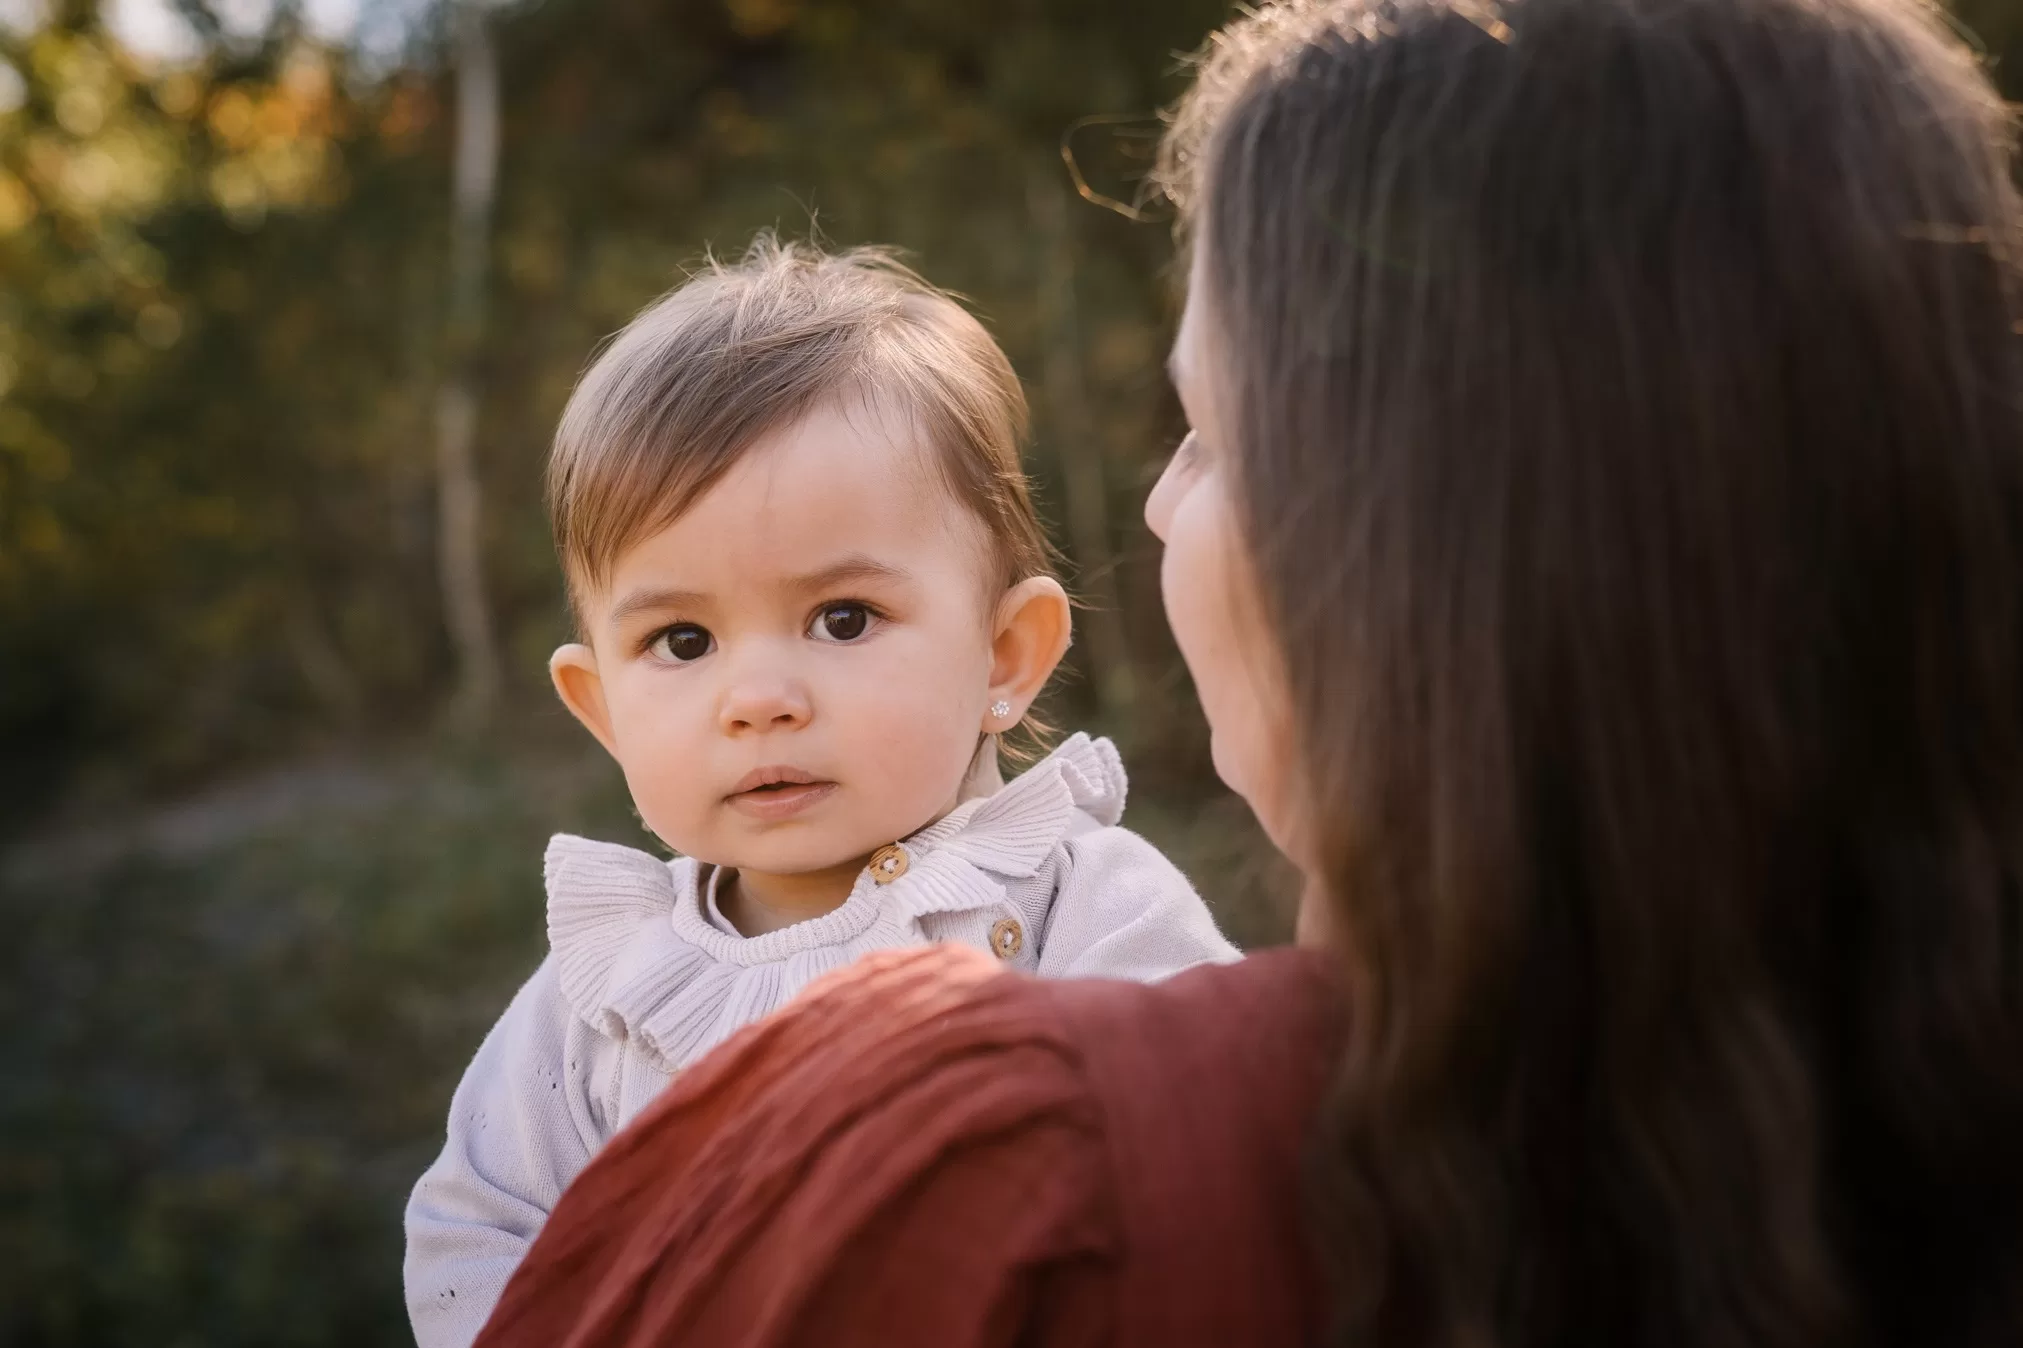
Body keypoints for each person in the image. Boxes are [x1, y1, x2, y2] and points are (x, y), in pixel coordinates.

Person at [473, 0, 2023, 1343]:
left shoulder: (1047, 1157)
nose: (1152, 506)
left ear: (1438, 552)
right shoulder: (1887, 1113)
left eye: (1208, 436)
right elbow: (477, 1215)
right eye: (680, 638)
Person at [402, 238, 1238, 1348]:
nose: (756, 698)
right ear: (600, 709)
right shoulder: (601, 998)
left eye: (842, 618)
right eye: (682, 639)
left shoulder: (1079, 905)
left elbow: (1222, 1166)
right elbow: (475, 1234)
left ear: (1003, 654)